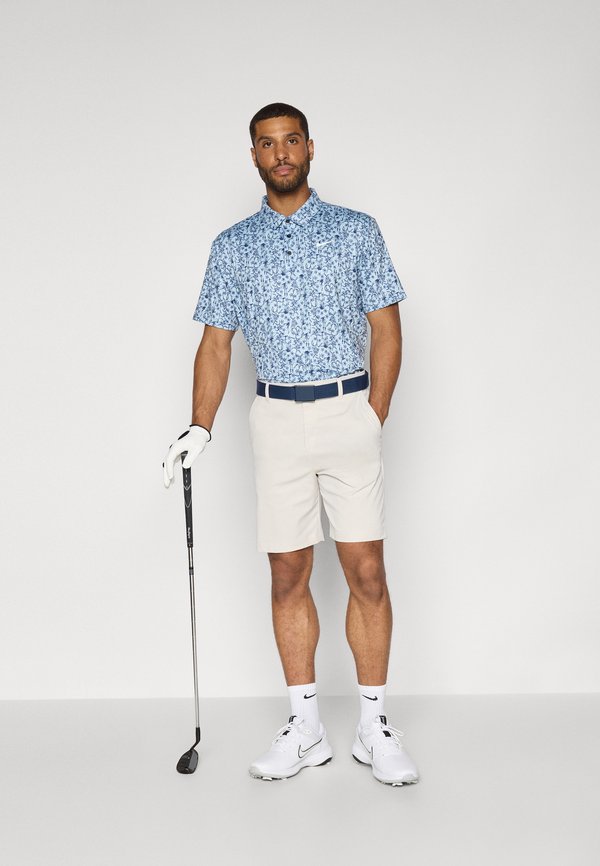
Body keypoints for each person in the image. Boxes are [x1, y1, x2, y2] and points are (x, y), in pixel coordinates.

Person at [163, 102, 419, 787]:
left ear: (309, 148)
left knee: (367, 571)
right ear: (253, 155)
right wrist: (199, 425)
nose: (280, 153)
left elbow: (387, 328)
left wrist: (373, 415)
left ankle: (373, 727)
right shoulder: (232, 246)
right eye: (267, 143)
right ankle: (306, 728)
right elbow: (216, 343)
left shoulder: (356, 231)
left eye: (291, 140)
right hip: (275, 418)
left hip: (348, 410)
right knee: (287, 574)